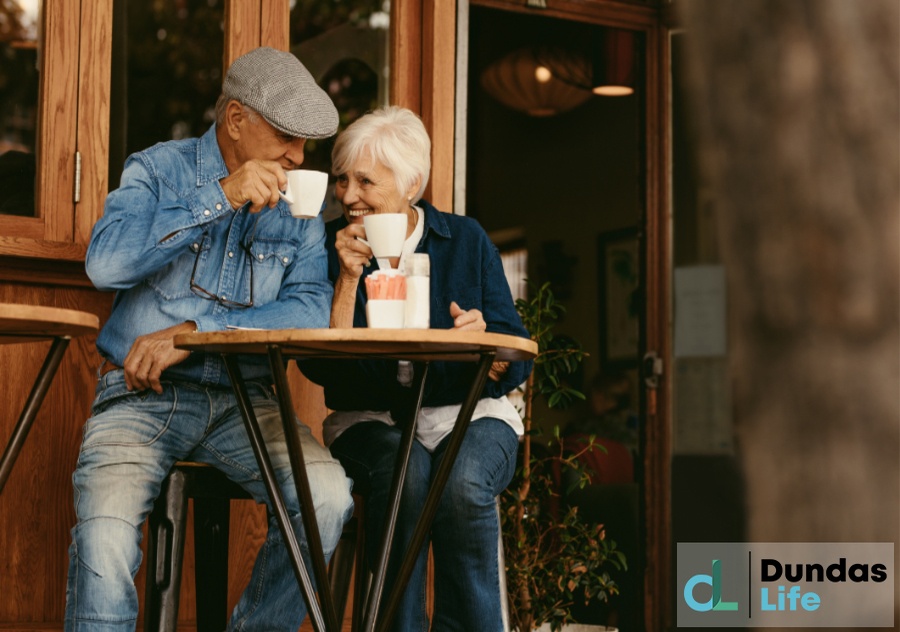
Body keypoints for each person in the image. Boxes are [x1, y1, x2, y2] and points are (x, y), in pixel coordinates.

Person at [66, 47, 353, 632]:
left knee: (329, 499)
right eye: (286, 136)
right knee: (106, 538)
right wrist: (220, 195)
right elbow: (105, 265)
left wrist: (199, 334)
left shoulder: (301, 206)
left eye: (306, 144)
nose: (299, 156)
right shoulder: (157, 168)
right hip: (141, 397)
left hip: (249, 402)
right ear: (236, 120)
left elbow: (309, 305)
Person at [300, 106, 533, 632]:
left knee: (464, 482)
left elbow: (514, 347)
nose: (347, 193)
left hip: (469, 417)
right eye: (341, 179)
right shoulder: (326, 246)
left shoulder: (465, 241)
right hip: (371, 421)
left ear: (410, 184)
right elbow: (320, 366)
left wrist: (487, 346)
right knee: (404, 478)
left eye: (364, 179)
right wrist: (345, 281)